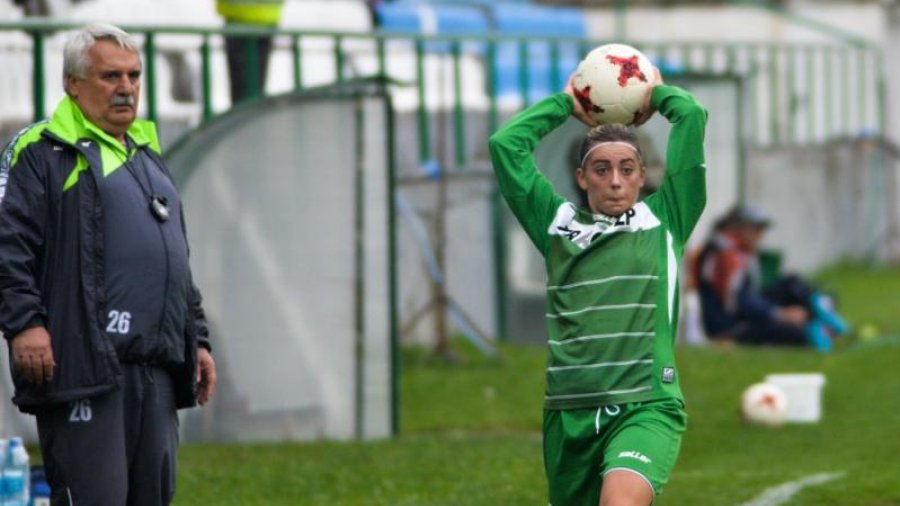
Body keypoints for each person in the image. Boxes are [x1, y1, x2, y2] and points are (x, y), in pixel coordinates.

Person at [0, 24, 216, 505]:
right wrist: (24, 324)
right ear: (72, 83)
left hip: (156, 367)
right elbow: (7, 244)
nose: (126, 88)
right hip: (83, 365)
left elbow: (174, 259)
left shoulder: (146, 154)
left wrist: (196, 338)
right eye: (110, 76)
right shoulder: (40, 150)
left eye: (134, 76)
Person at [489, 67, 707, 505]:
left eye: (627, 169)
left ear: (642, 175)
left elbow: (690, 115)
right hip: (568, 409)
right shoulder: (555, 224)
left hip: (646, 402)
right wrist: (565, 104)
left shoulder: (667, 218)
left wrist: (653, 94)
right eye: (601, 169)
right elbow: (505, 145)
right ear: (582, 176)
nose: (615, 181)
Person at [694, 204, 848, 351]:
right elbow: (737, 304)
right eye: (757, 229)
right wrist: (779, 314)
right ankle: (823, 323)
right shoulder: (728, 255)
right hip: (731, 326)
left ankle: (822, 314)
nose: (761, 235)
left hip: (741, 314)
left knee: (792, 284)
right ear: (740, 229)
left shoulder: (732, 250)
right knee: (798, 332)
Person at [216, 0, 286, 104]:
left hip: (237, 17)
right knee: (255, 86)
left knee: (241, 89)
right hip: (265, 17)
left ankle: (245, 111)